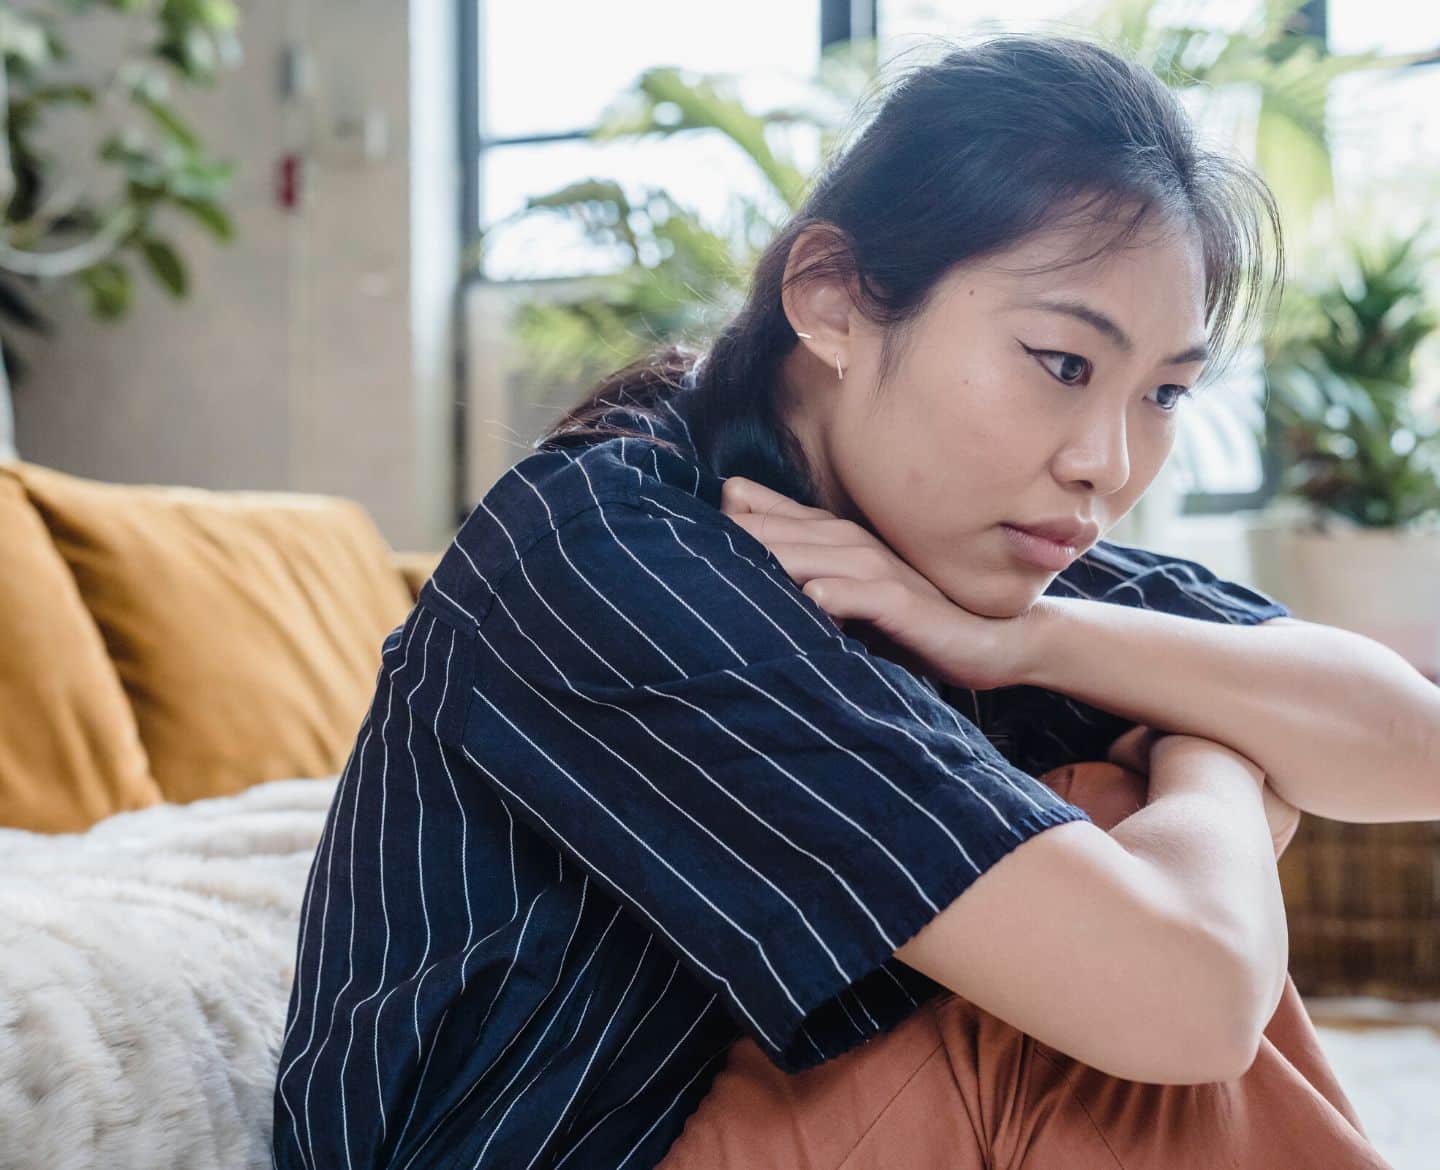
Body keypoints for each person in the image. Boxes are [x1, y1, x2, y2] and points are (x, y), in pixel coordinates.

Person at [270, 33, 1393, 1170]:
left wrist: (1037, 640)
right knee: (1086, 931)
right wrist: (1216, 755)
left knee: (1105, 831)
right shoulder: (615, 553)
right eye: (1061, 362)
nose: (1108, 459)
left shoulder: (956, 542)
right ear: (835, 300)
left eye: (1163, 392)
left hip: (741, 1118)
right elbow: (1187, 1003)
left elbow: (1410, 746)